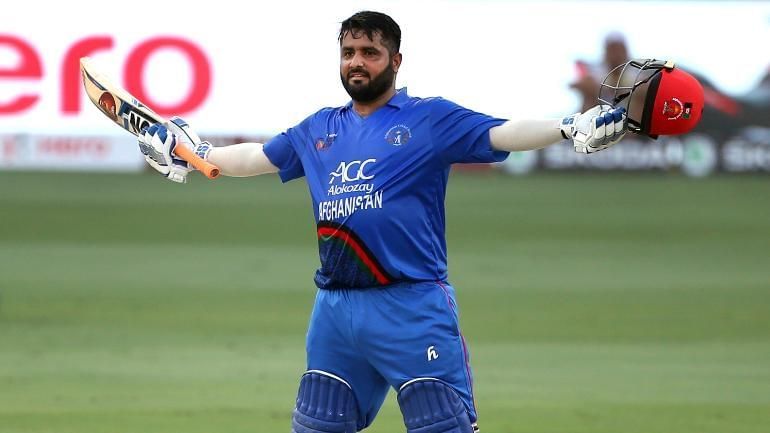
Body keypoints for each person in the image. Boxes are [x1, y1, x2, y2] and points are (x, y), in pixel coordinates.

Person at [137, 11, 626, 433]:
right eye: (349, 51)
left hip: (412, 305)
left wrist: (568, 126)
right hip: (334, 311)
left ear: (394, 61)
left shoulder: (428, 119)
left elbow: (502, 133)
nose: (356, 61)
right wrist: (194, 152)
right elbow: (254, 158)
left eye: (370, 52)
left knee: (443, 423)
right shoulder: (319, 128)